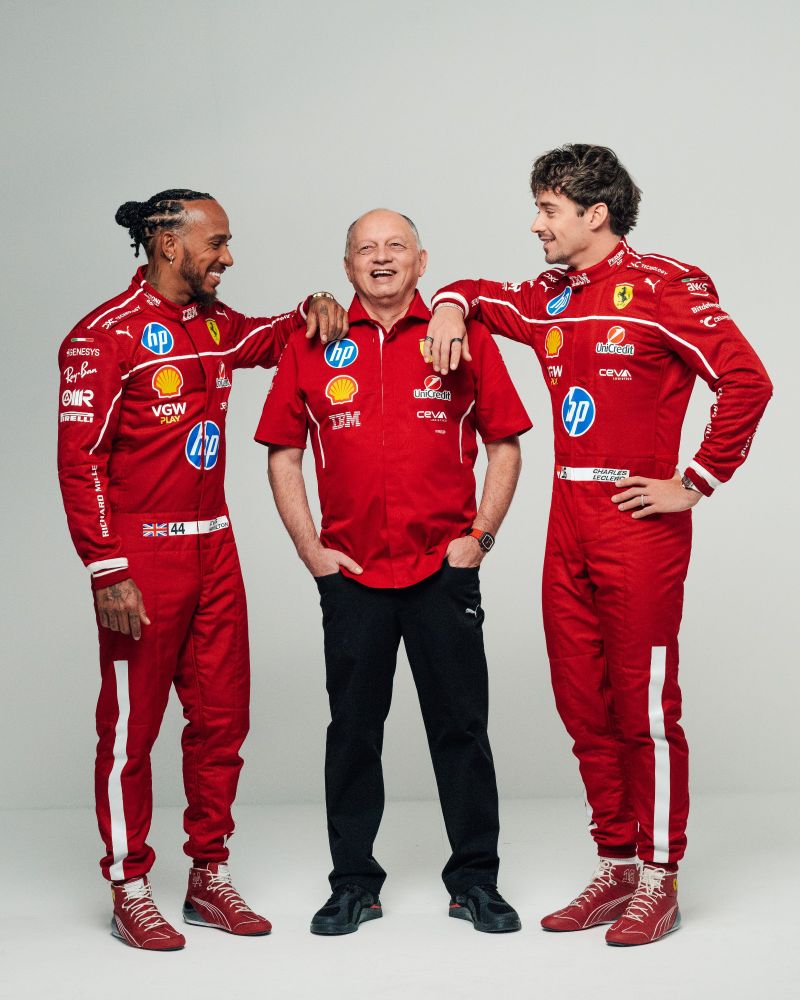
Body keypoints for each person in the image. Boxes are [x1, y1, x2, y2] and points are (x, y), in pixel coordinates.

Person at [425, 145, 772, 947]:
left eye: (548, 209)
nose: (535, 224)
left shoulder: (663, 287)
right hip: (569, 521)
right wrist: (446, 304)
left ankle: (659, 876)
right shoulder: (552, 296)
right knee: (582, 701)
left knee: (643, 707)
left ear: (596, 213)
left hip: (637, 523)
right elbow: (477, 293)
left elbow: (747, 381)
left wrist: (695, 480)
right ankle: (615, 862)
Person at [57, 189, 348, 951]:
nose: (227, 257)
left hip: (214, 547)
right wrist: (106, 565)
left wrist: (314, 304)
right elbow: (80, 461)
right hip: (142, 557)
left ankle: (208, 876)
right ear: (168, 244)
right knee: (131, 730)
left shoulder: (213, 324)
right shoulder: (103, 335)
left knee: (222, 720)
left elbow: (269, 337)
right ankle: (129, 887)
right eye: (215, 243)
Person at [257, 209, 532, 935]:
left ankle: (475, 881)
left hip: (443, 571)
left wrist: (481, 538)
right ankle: (353, 883)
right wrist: (310, 550)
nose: (381, 259)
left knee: (461, 729)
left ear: (421, 260)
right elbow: (283, 452)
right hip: (352, 577)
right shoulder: (315, 340)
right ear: (347, 265)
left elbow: (505, 444)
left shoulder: (462, 336)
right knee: (353, 731)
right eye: (365, 249)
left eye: (395, 247)